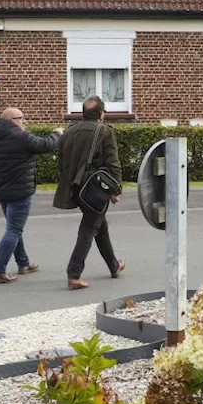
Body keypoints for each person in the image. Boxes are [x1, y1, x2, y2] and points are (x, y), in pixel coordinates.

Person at [0, 108, 63, 283]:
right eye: (21, 118)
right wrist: (57, 133)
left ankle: (23, 263)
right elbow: (45, 145)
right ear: (12, 120)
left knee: (14, 227)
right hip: (20, 191)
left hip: (2, 191)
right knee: (13, 230)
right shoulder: (21, 137)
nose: (24, 121)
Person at [54, 96, 124, 290]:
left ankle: (114, 265)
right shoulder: (104, 131)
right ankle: (73, 274)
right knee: (89, 227)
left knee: (98, 225)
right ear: (101, 114)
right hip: (94, 189)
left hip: (75, 188)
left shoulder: (69, 132)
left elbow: (61, 163)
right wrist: (115, 189)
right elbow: (112, 162)